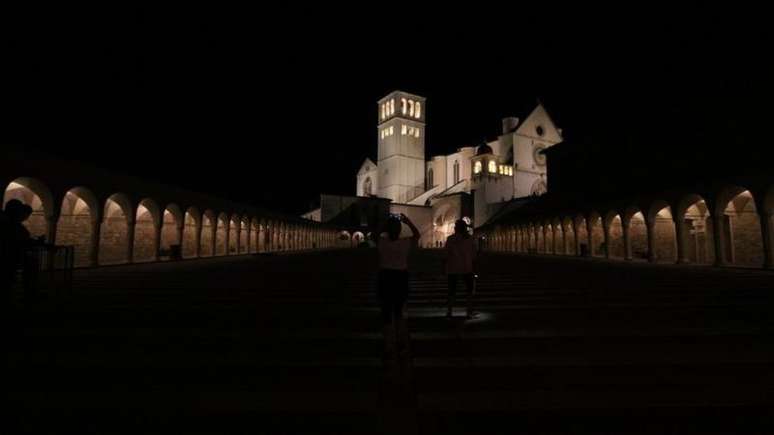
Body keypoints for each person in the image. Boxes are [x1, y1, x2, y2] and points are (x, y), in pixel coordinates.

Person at [375, 213, 420, 361]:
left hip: (385, 277)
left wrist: (385, 224)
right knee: (400, 312)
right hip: (401, 278)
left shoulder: (382, 242)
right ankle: (401, 343)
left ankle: (389, 345)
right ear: (400, 230)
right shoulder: (404, 243)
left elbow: (374, 235)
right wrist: (408, 221)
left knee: (387, 313)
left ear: (387, 230)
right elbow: (417, 235)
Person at [444, 219, 477, 319]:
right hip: (467, 268)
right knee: (469, 291)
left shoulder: (450, 239)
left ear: (456, 228)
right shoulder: (470, 239)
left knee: (451, 291)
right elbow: (474, 256)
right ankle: (468, 312)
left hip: (453, 268)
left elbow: (446, 254)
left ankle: (449, 311)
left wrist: (444, 268)